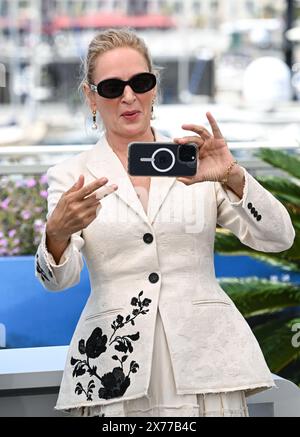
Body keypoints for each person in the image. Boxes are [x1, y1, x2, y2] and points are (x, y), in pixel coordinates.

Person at [35, 28, 295, 417]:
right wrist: (56, 234)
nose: (128, 96)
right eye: (111, 87)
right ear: (91, 96)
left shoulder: (196, 160)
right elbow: (59, 280)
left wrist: (233, 174)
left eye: (141, 82)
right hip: (113, 368)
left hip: (205, 361)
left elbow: (279, 238)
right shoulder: (71, 175)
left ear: (154, 87)